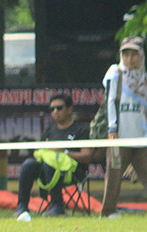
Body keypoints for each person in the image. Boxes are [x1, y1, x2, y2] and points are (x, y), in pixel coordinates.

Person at [13, 93, 94, 219]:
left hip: (73, 172)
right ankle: (22, 206)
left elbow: (87, 156)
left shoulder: (81, 129)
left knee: (51, 163)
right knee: (28, 164)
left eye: (59, 108)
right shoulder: (49, 131)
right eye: (52, 109)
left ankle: (57, 206)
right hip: (47, 171)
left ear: (69, 109)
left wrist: (64, 151)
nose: (55, 111)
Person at [100, 36, 147, 218]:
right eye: (126, 54)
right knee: (114, 174)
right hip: (120, 136)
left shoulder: (144, 77)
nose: (129, 59)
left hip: (142, 137)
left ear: (141, 55)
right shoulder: (115, 74)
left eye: (134, 54)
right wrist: (112, 129)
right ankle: (108, 211)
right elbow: (110, 101)